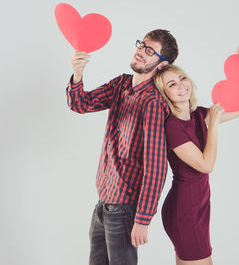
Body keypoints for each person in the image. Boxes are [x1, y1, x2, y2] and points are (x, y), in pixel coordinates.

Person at [66, 29, 179, 265]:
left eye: (150, 51)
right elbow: (80, 104)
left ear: (162, 65)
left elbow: (156, 168)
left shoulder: (153, 103)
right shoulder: (121, 84)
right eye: (142, 45)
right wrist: (78, 73)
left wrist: (143, 220)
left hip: (125, 209)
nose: (141, 51)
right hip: (103, 202)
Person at [153, 47, 239, 265]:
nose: (181, 85)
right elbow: (206, 165)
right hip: (185, 209)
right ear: (164, 94)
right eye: (171, 84)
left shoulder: (197, 114)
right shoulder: (173, 127)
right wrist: (214, 123)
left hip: (198, 204)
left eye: (181, 78)